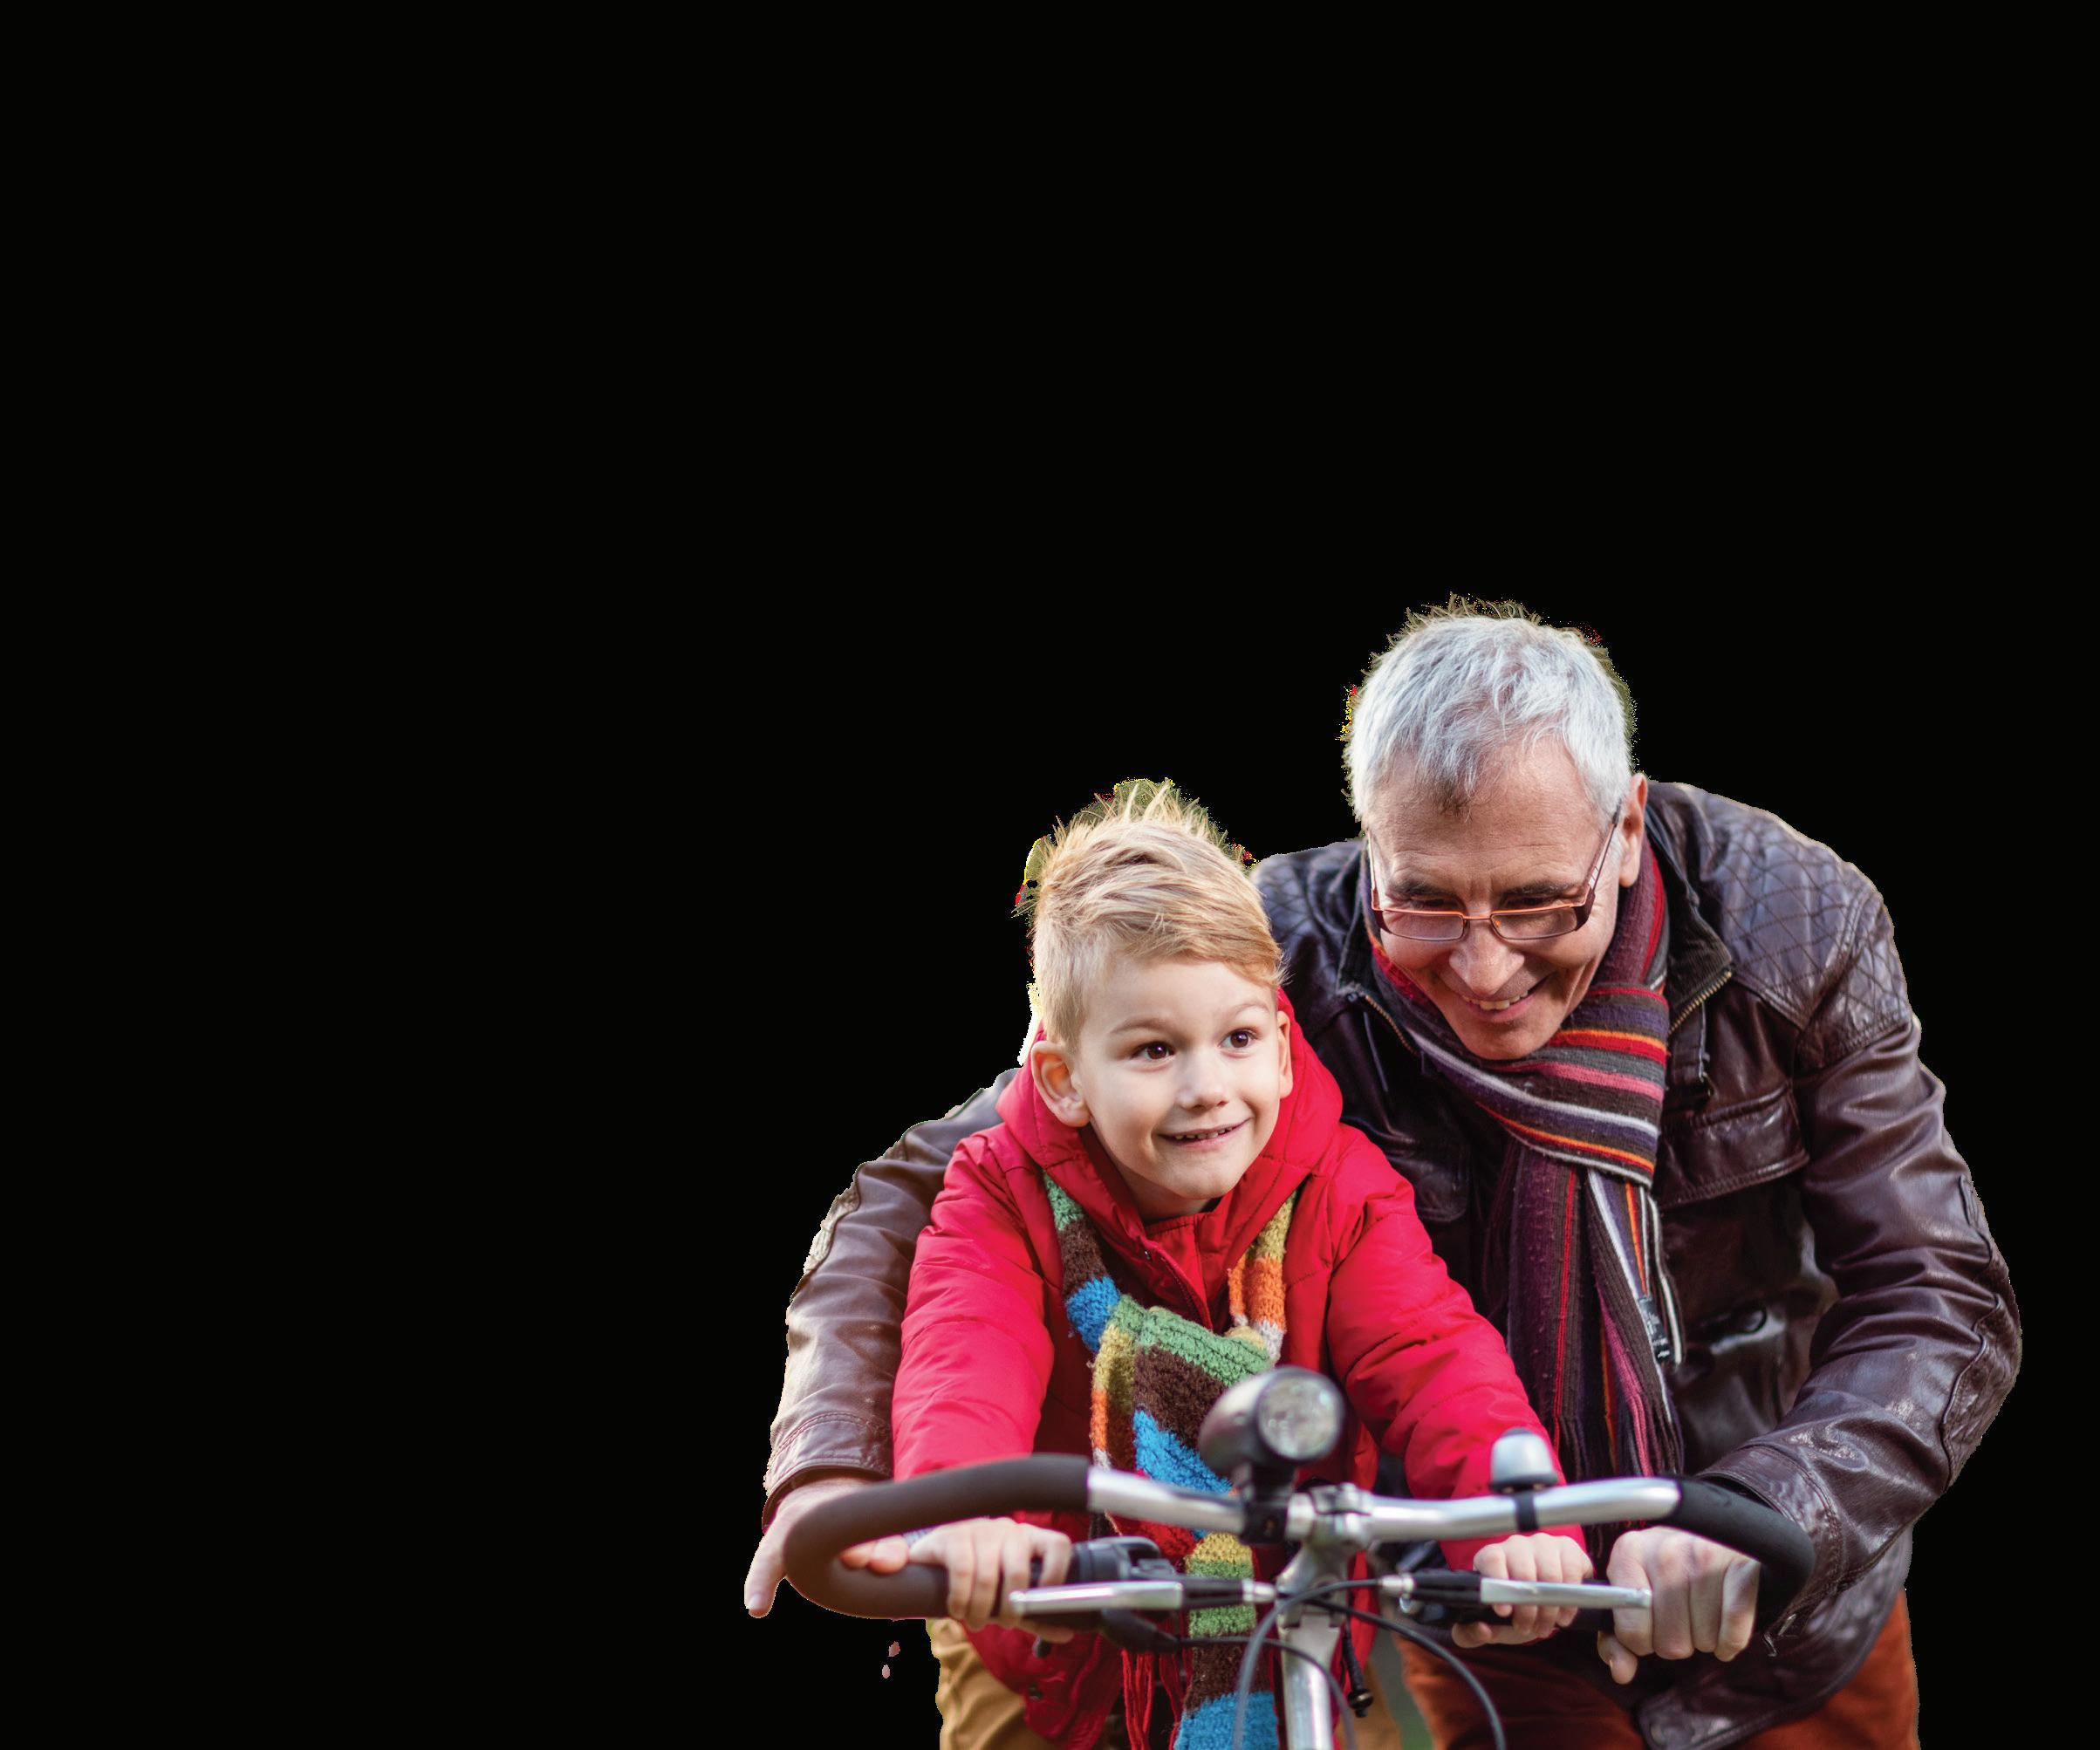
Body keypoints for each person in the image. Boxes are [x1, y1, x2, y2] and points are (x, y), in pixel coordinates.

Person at [748, 602, 2020, 1748]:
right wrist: (834, 1479)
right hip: (1480, 1597)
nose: (1483, 966)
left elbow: (1939, 1291)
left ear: (1626, 828)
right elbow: (941, 1186)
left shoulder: (1792, 927)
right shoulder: (1266, 968)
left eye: (1536, 903)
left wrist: (1759, 1508)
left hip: (1784, 1595)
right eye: (1425, 903)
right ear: (1369, 848)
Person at [892, 780, 1590, 1749]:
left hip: (1293, 1612)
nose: (1206, 1088)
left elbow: (1434, 1357)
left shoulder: (1339, 1186)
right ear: (1063, 1080)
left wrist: (1518, 1523)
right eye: (1152, 1050)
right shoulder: (1001, 1192)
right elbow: (964, 1355)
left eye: (1237, 1039)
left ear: (1283, 1048)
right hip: (1057, 1621)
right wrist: (961, 1508)